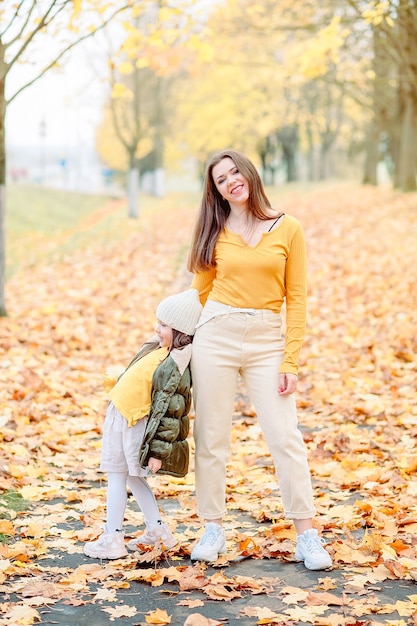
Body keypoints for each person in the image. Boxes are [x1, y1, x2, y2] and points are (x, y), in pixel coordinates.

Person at [187, 149, 332, 570]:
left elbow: (298, 297)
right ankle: (212, 526)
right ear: (215, 191)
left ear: (249, 173)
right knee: (211, 437)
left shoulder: (288, 228)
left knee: (285, 436)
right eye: (220, 179)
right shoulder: (215, 230)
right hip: (216, 334)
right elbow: (197, 293)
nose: (231, 181)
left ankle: (307, 534)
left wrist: (291, 360)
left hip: (268, 339)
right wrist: (171, 329)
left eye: (235, 172)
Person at [84, 289, 203, 560]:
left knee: (117, 473)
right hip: (123, 415)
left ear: (181, 332)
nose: (156, 329)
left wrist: (157, 454)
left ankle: (112, 538)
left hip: (134, 421)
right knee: (131, 477)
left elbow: (171, 413)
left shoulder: (175, 365)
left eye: (163, 325)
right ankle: (158, 531)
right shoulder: (162, 348)